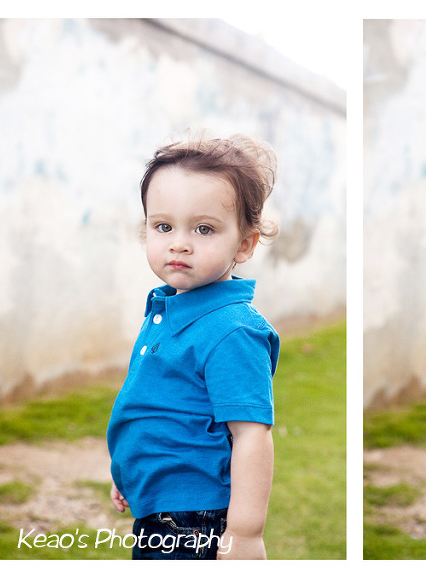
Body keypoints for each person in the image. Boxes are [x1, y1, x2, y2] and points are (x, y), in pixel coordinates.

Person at [106, 133, 280, 560]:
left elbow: (251, 435)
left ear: (244, 244)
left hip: (195, 519)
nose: (179, 242)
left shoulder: (230, 330)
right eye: (163, 226)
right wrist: (131, 468)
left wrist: (244, 534)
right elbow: (158, 407)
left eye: (204, 229)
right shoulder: (166, 309)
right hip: (161, 507)